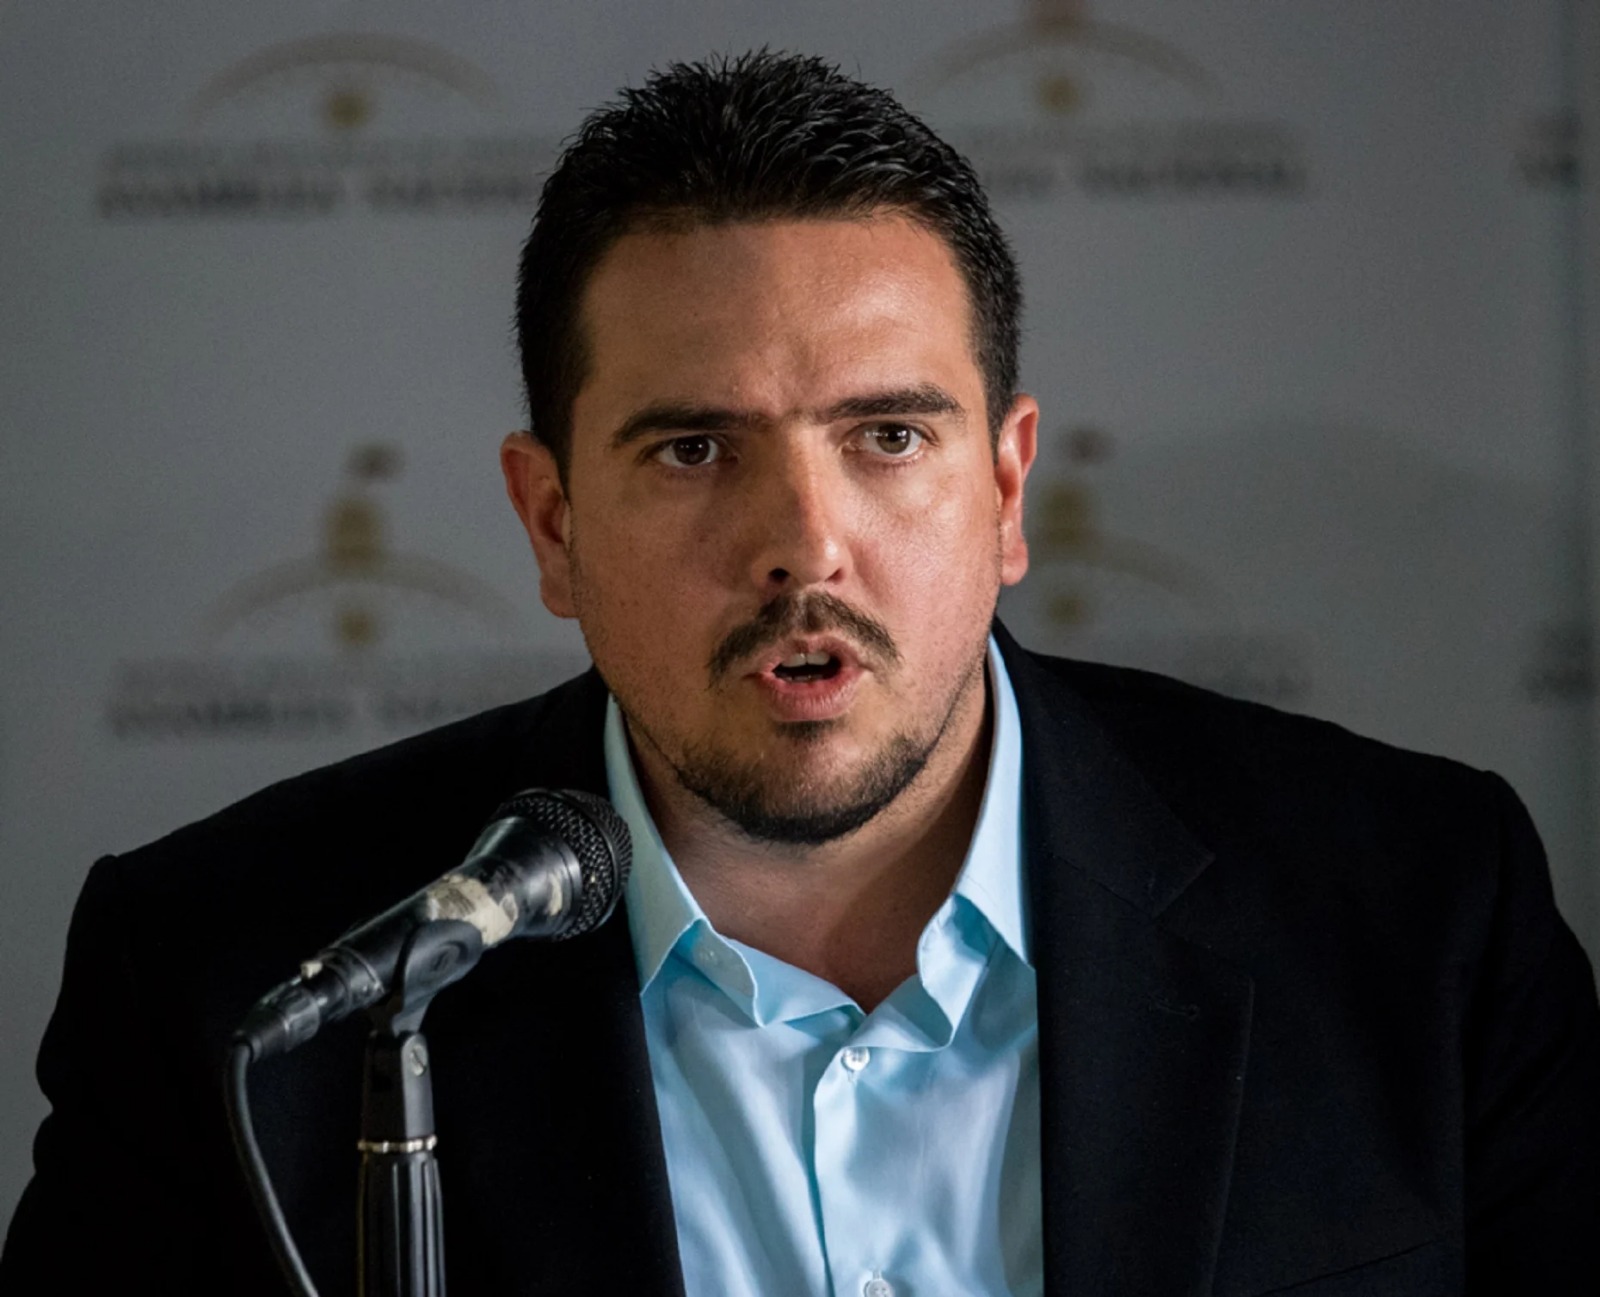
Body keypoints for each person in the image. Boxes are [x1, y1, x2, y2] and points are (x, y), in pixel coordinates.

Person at [4, 49, 1598, 1297]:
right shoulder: (231, 990)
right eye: (695, 450)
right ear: (552, 523)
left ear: (1007, 489)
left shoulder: (1419, 918)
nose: (803, 546)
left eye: (888, 436)